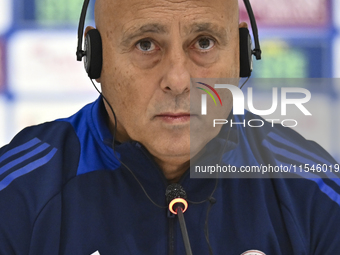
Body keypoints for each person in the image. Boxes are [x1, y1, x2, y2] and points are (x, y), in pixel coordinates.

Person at [0, 0, 339, 254]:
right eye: (146, 44)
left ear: (240, 55)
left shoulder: (313, 191)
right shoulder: (16, 196)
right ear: (95, 59)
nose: (178, 81)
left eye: (203, 42)